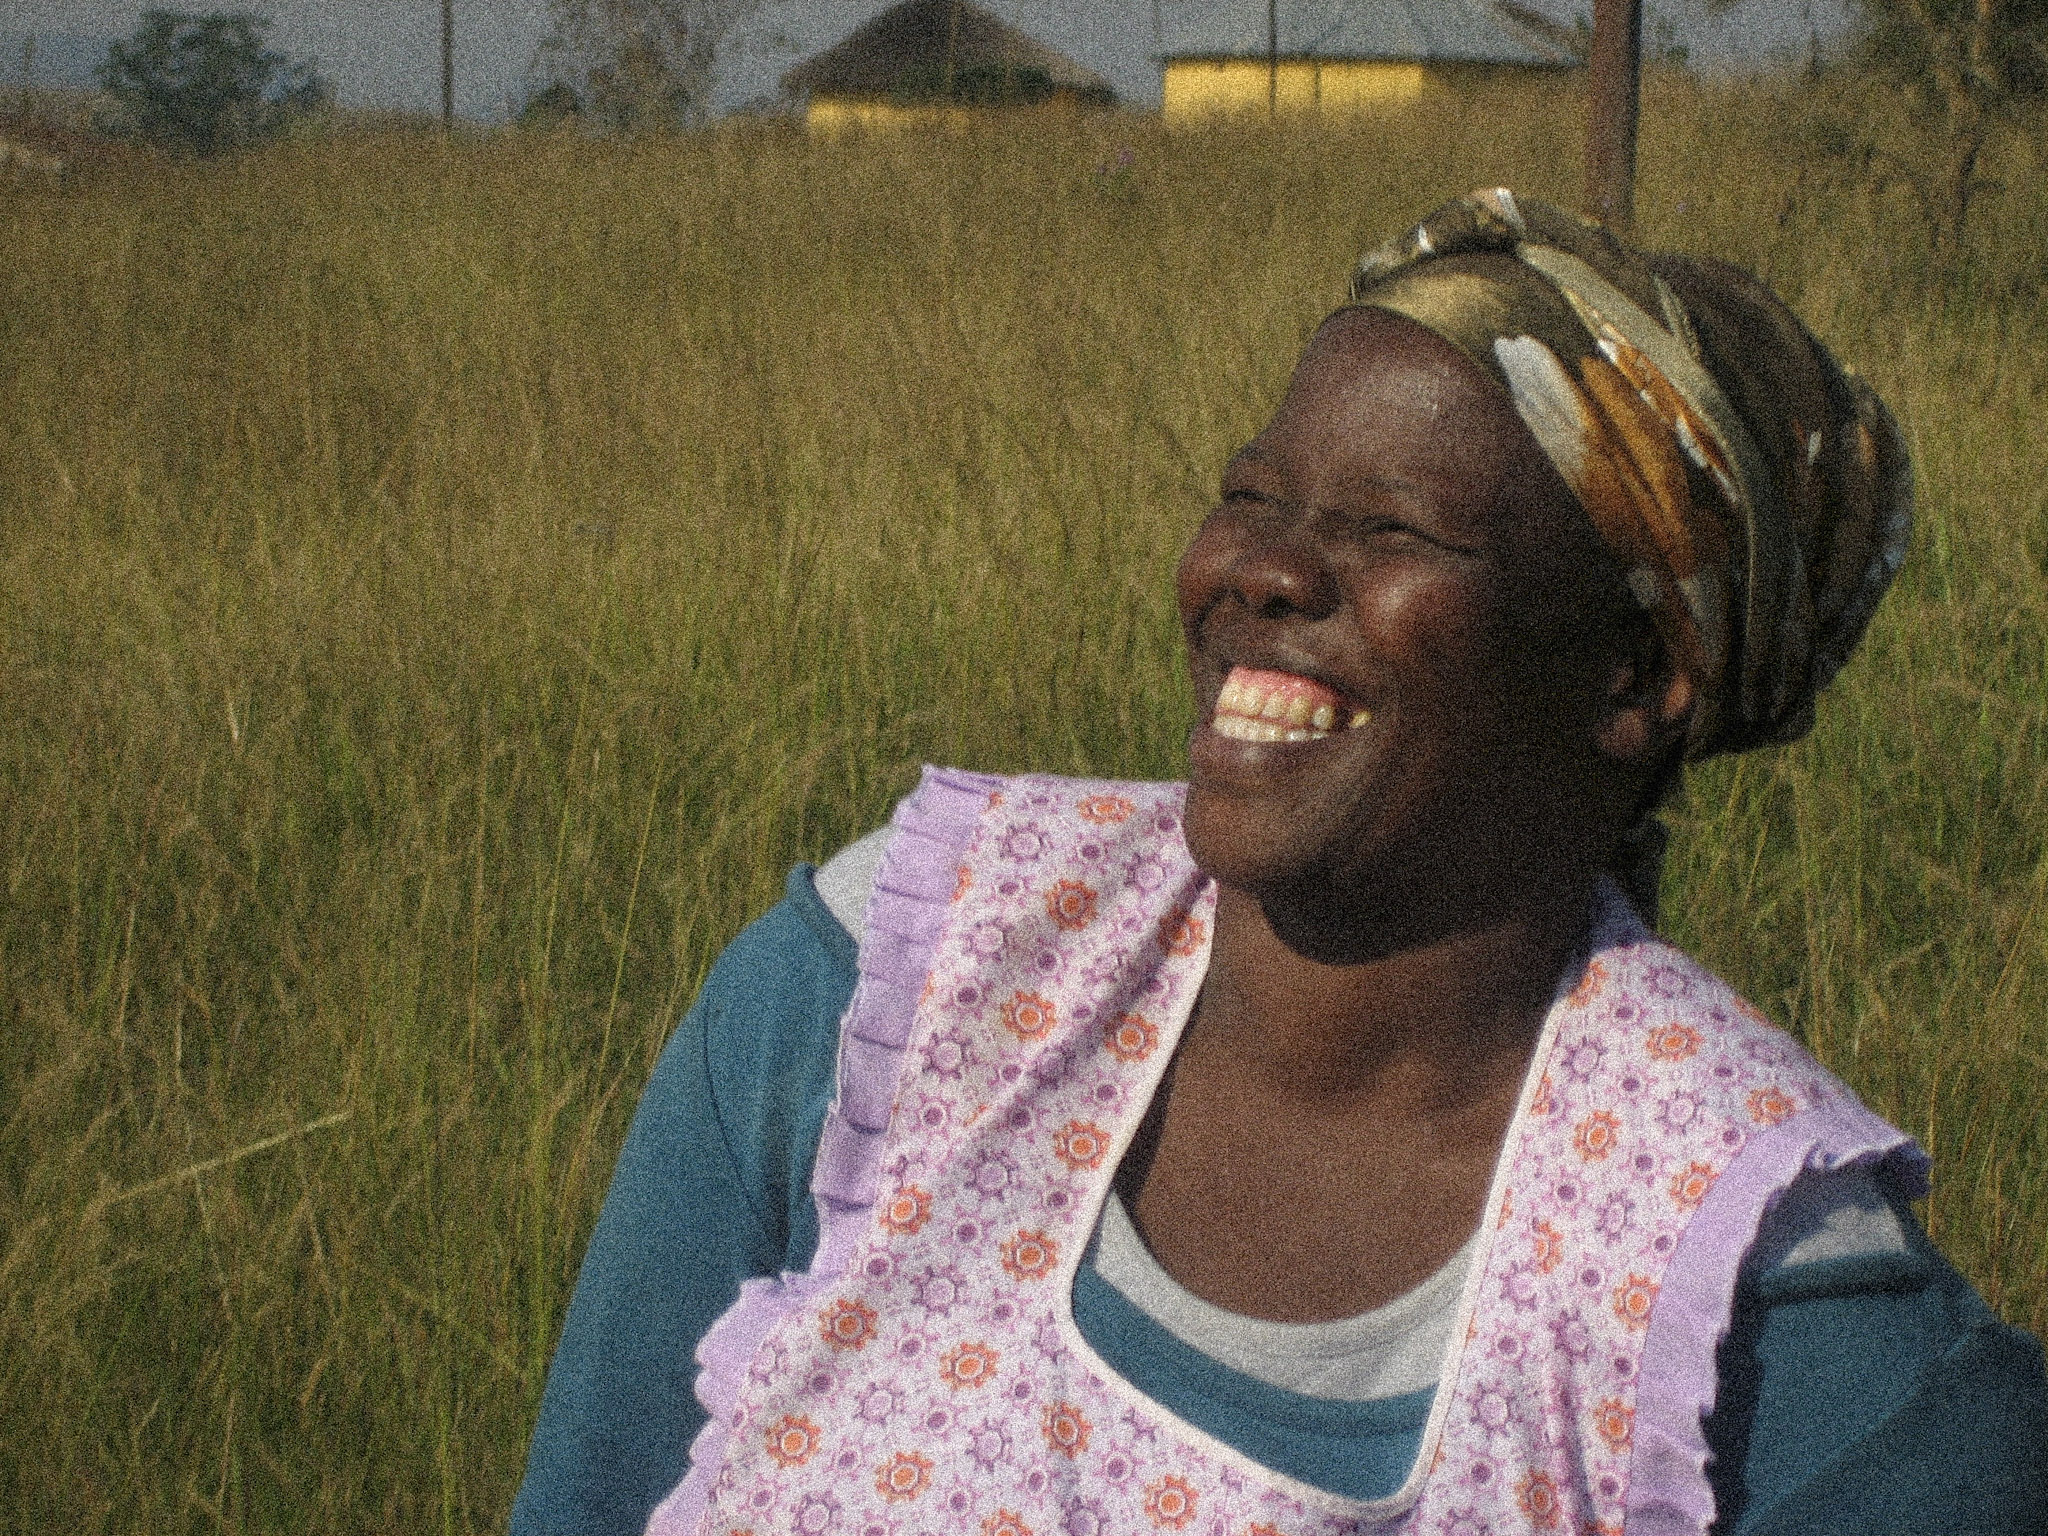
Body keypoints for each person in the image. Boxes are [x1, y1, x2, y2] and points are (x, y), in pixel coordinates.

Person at [511, 190, 2048, 1536]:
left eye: (1392, 528)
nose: (1259, 570)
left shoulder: (1778, 1329)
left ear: (1632, 677)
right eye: (1251, 496)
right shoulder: (887, 997)